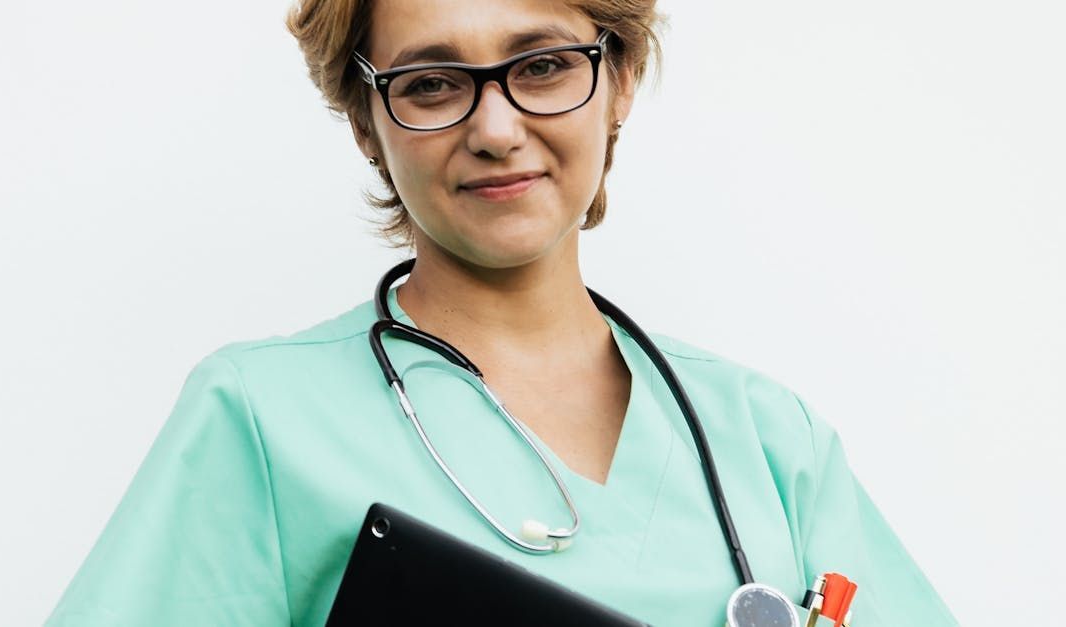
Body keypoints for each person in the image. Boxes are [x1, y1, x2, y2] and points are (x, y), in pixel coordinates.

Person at [46, 0, 958, 625]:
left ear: (623, 78)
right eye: (432, 84)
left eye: (546, 65)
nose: (494, 127)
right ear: (366, 123)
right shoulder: (258, 418)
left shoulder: (767, 440)